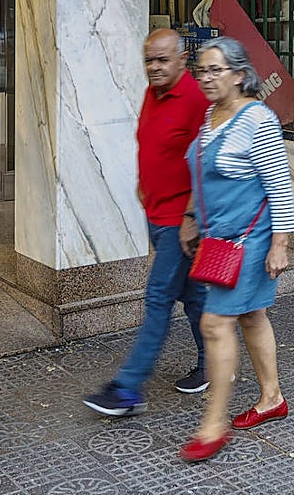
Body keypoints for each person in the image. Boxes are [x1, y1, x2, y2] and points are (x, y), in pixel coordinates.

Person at [177, 36, 294, 463]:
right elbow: (203, 176)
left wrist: (280, 245)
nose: (205, 78)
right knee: (251, 315)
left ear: (240, 75)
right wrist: (191, 218)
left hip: (250, 240)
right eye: (201, 71)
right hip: (217, 238)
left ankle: (213, 424)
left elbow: (279, 187)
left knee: (214, 323)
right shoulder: (211, 115)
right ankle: (272, 398)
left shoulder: (256, 119)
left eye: (215, 70)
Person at [83, 28, 211, 417]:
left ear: (182, 60)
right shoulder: (152, 93)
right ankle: (214, 361)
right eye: (149, 60)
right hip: (156, 214)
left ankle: (127, 388)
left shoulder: (195, 99)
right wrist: (144, 184)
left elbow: (204, 164)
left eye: (162, 60)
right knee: (191, 296)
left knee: (158, 298)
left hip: (179, 220)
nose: (154, 67)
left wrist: (190, 217)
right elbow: (152, 143)